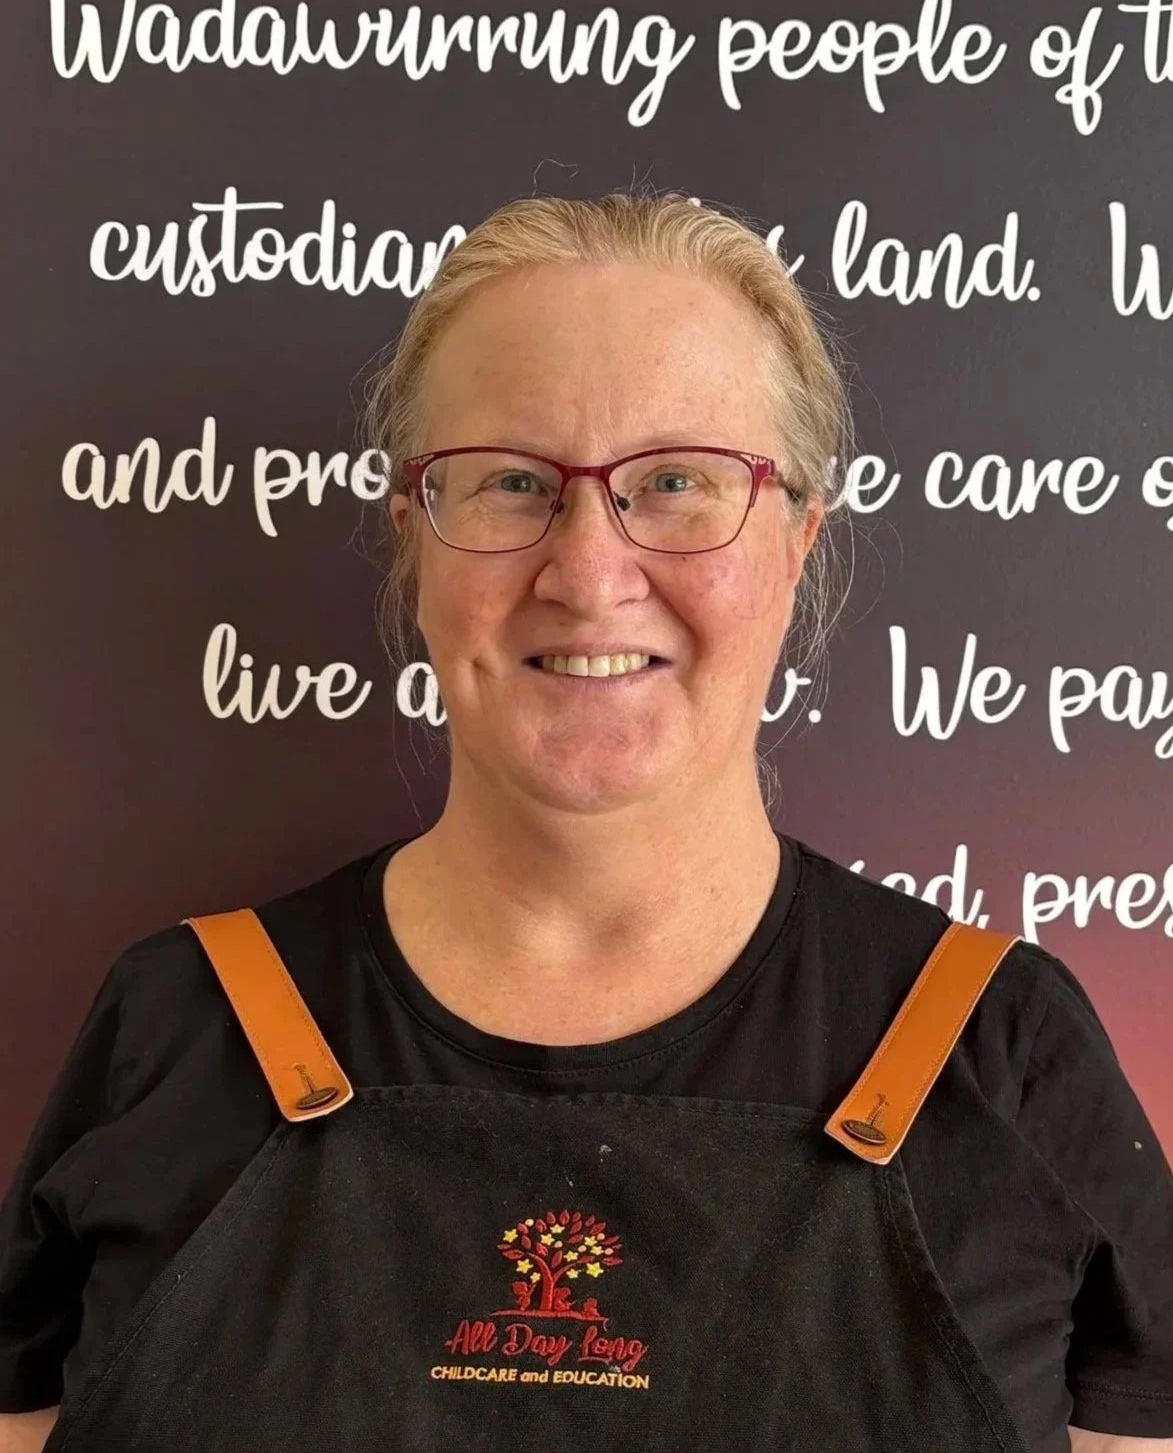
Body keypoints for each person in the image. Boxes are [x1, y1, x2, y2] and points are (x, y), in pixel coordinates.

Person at [0, 192, 1171, 1453]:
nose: (590, 574)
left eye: (677, 482)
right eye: (510, 483)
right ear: (415, 540)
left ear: (796, 545)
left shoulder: (1003, 1056)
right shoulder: (177, 1028)